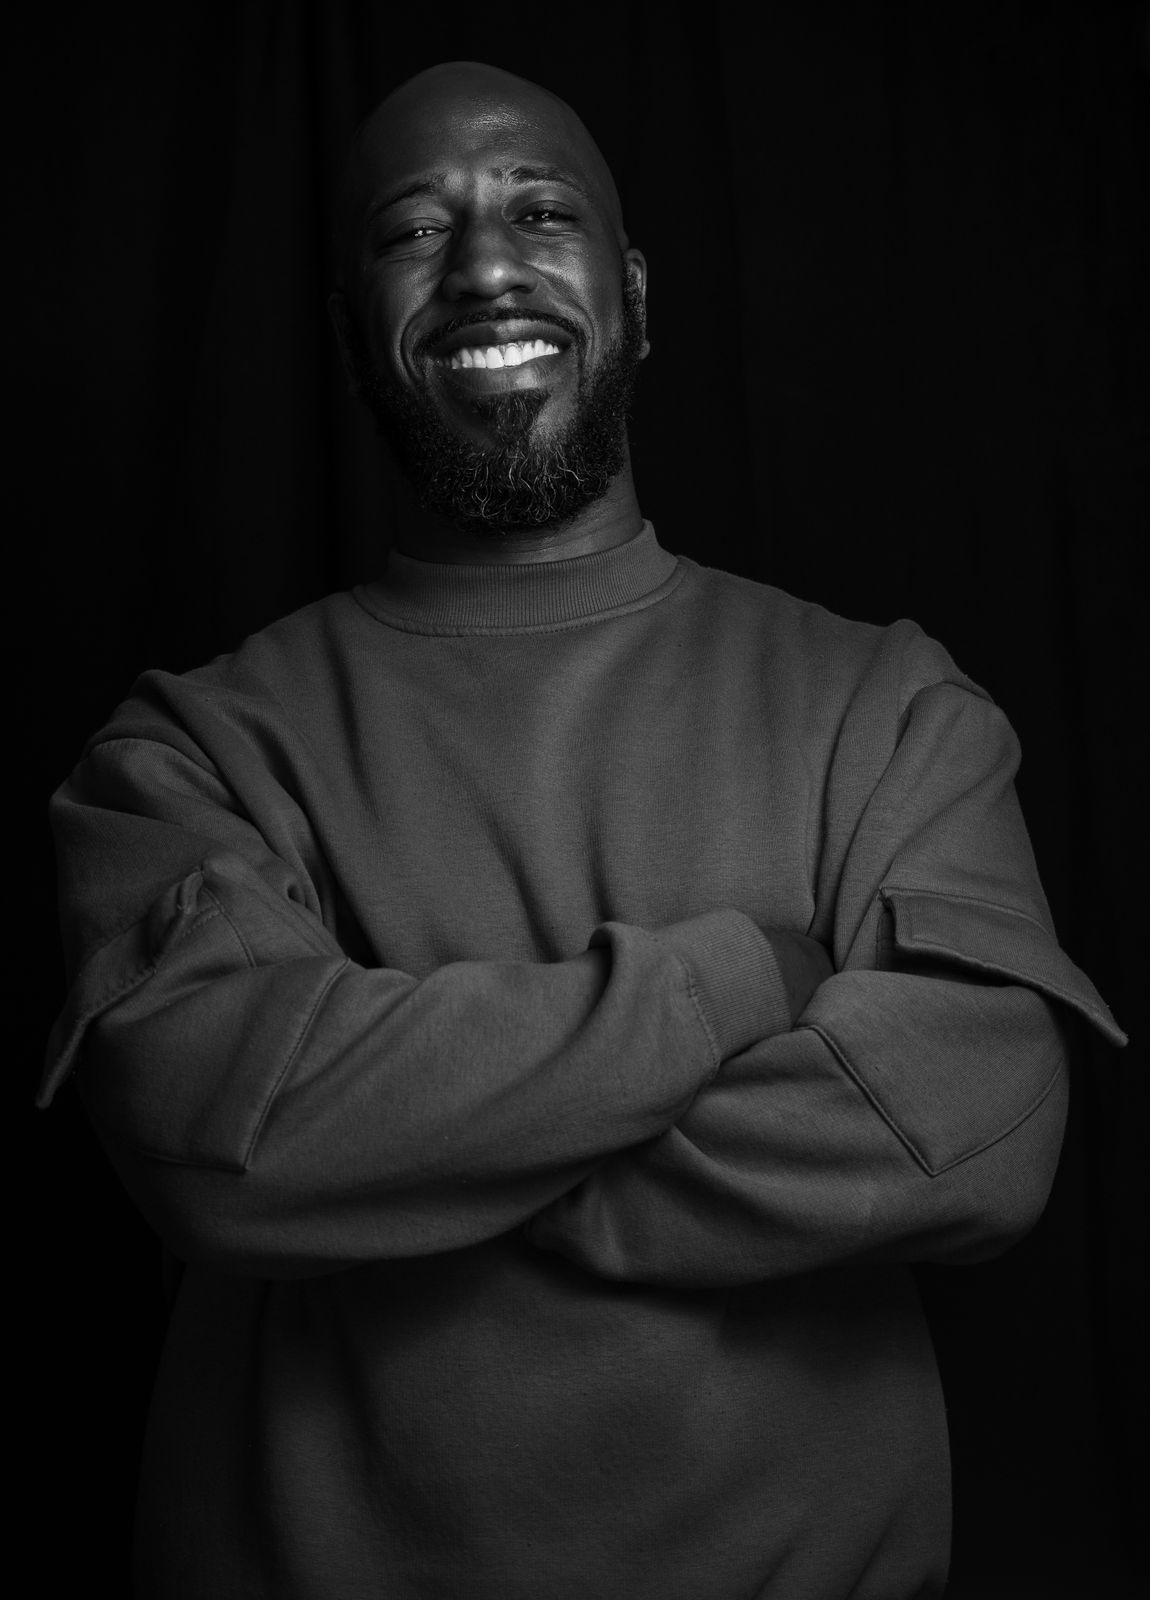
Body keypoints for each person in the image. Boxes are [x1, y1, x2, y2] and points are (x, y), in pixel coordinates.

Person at [40, 59, 1126, 1600]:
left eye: (539, 213)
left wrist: (412, 1161)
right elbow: (227, 1140)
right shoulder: (187, 752)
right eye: (414, 230)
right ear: (350, 329)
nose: (484, 263)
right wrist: (731, 982)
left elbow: (978, 1135)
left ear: (633, 294)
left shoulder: (884, 706)